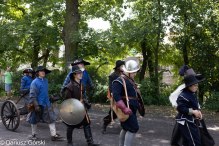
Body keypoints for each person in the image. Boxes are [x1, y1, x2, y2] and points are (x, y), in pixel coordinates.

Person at [63, 65, 100, 146]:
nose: (80, 74)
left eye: (81, 73)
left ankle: (90, 142)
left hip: (81, 108)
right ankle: (69, 143)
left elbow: (82, 96)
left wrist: (86, 103)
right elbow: (67, 101)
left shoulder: (82, 84)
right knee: (70, 126)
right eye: (78, 73)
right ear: (74, 75)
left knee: (86, 124)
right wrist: (70, 110)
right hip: (72, 110)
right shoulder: (70, 86)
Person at [112, 57, 141, 146]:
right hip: (126, 108)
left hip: (132, 106)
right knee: (133, 128)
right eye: (133, 72)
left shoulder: (130, 80)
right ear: (127, 71)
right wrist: (124, 108)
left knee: (126, 128)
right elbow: (115, 95)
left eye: (136, 71)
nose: (135, 74)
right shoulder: (119, 80)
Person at [29, 66, 63, 141]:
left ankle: (53, 135)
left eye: (44, 71)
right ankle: (33, 134)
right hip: (38, 104)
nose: (43, 72)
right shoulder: (34, 82)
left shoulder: (46, 80)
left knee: (51, 118)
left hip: (46, 103)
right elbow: (32, 95)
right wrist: (36, 105)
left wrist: (49, 97)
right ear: (37, 73)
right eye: (41, 71)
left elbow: (44, 92)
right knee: (34, 119)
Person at [175, 74, 205, 146]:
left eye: (197, 85)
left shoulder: (193, 93)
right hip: (186, 121)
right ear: (189, 86)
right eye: (195, 85)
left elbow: (196, 103)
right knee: (195, 141)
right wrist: (193, 111)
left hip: (191, 120)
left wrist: (199, 111)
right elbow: (180, 108)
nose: (197, 87)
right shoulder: (183, 95)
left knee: (187, 142)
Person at [101, 60, 125, 134]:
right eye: (122, 66)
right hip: (116, 97)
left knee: (125, 112)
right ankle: (104, 125)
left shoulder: (124, 75)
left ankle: (125, 128)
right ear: (118, 67)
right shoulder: (112, 76)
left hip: (124, 97)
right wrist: (114, 95)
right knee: (113, 115)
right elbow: (111, 87)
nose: (123, 67)